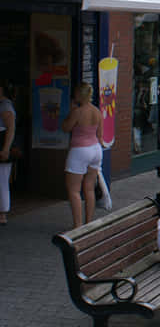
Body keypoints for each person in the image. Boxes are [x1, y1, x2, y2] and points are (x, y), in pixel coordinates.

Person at [61, 83, 103, 228]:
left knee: (74, 190)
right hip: (96, 149)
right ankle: (89, 223)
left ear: (79, 95)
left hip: (80, 150)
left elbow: (66, 128)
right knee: (89, 187)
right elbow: (100, 135)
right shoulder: (97, 111)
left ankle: (78, 226)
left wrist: (71, 111)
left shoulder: (78, 111)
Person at [0, 81, 16, 225]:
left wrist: (5, 148)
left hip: (2, 144)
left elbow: (10, 128)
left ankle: (2, 213)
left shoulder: (5, 105)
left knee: (2, 179)